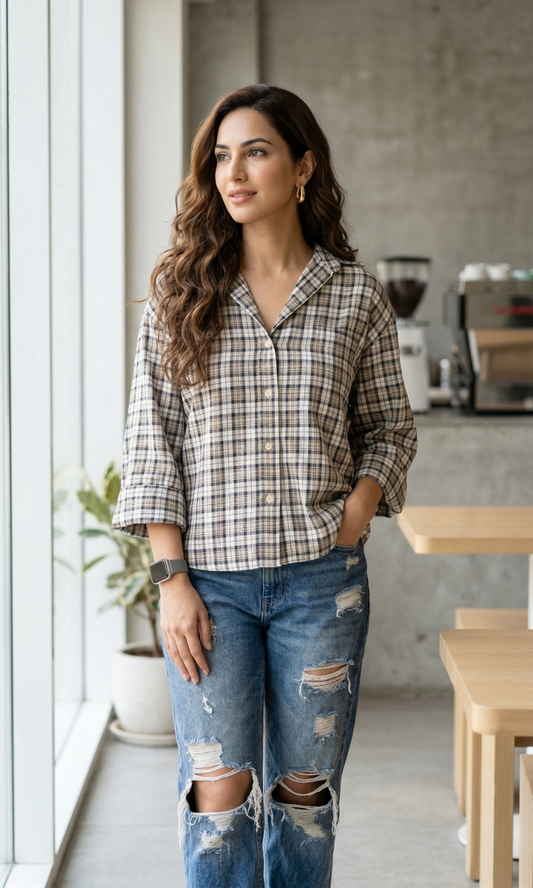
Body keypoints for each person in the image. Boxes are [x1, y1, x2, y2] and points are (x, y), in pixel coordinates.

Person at [112, 83, 417, 888]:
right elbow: (151, 446)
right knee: (217, 795)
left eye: (255, 152)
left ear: (302, 167)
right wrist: (171, 582)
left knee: (302, 796)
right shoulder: (179, 295)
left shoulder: (353, 296)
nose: (234, 173)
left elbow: (390, 427)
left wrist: (359, 504)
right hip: (209, 587)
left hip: (321, 585)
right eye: (221, 156)